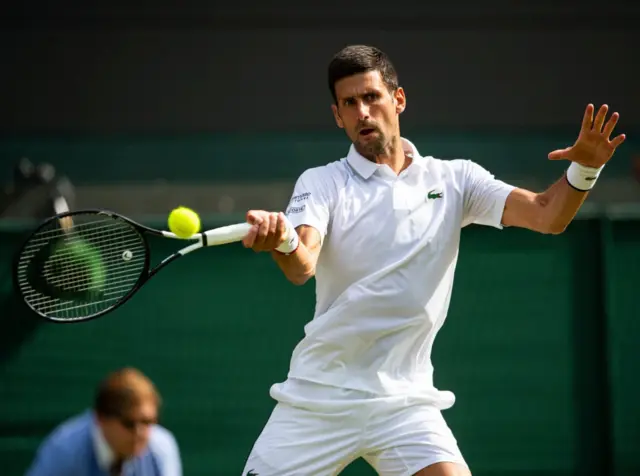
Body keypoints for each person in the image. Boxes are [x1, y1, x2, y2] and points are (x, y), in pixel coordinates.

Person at [239, 44, 626, 476]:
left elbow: (546, 215)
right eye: (350, 103)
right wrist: (283, 242)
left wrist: (584, 171)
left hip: (405, 402)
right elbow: (302, 264)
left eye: (372, 97)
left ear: (398, 100)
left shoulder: (455, 179)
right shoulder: (322, 181)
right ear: (338, 116)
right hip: (321, 395)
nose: (362, 112)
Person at [25, 367, 182, 476]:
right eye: (129, 423)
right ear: (101, 419)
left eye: (148, 422)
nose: (140, 433)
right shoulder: (65, 449)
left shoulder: (162, 446)